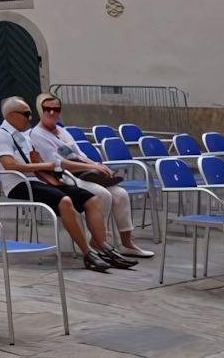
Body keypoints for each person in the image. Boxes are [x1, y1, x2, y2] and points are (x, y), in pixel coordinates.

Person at [0, 96, 133, 272]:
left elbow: (37, 159)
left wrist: (48, 170)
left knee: (93, 200)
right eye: (26, 114)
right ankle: (88, 253)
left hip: (38, 180)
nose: (30, 117)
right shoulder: (0, 135)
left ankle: (102, 247)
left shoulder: (25, 135)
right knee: (65, 201)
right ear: (11, 116)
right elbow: (10, 165)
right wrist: (45, 165)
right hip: (19, 184)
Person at [30, 93, 153, 259]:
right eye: (47, 109)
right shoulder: (37, 134)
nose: (52, 113)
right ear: (40, 110)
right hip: (64, 176)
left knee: (121, 194)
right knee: (102, 194)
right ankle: (100, 240)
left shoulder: (63, 131)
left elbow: (79, 155)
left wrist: (97, 166)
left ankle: (127, 243)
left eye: (56, 109)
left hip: (84, 173)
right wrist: (91, 166)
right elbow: (59, 163)